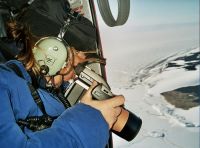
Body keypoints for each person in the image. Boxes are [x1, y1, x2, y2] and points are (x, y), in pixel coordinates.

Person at [0, 0, 126, 147]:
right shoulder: (4, 84)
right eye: (76, 65)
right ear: (52, 53)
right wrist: (91, 121)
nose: (75, 75)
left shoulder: (46, 90)